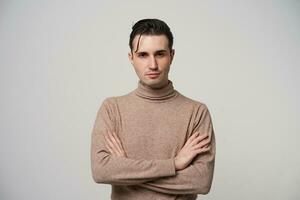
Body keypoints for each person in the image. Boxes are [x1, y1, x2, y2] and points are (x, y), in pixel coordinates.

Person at [90, 18, 216, 200]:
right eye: (143, 55)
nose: (153, 65)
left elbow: (201, 181)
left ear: (172, 56)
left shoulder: (196, 112)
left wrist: (126, 168)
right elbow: (101, 171)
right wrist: (174, 164)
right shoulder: (112, 109)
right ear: (131, 58)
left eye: (160, 54)